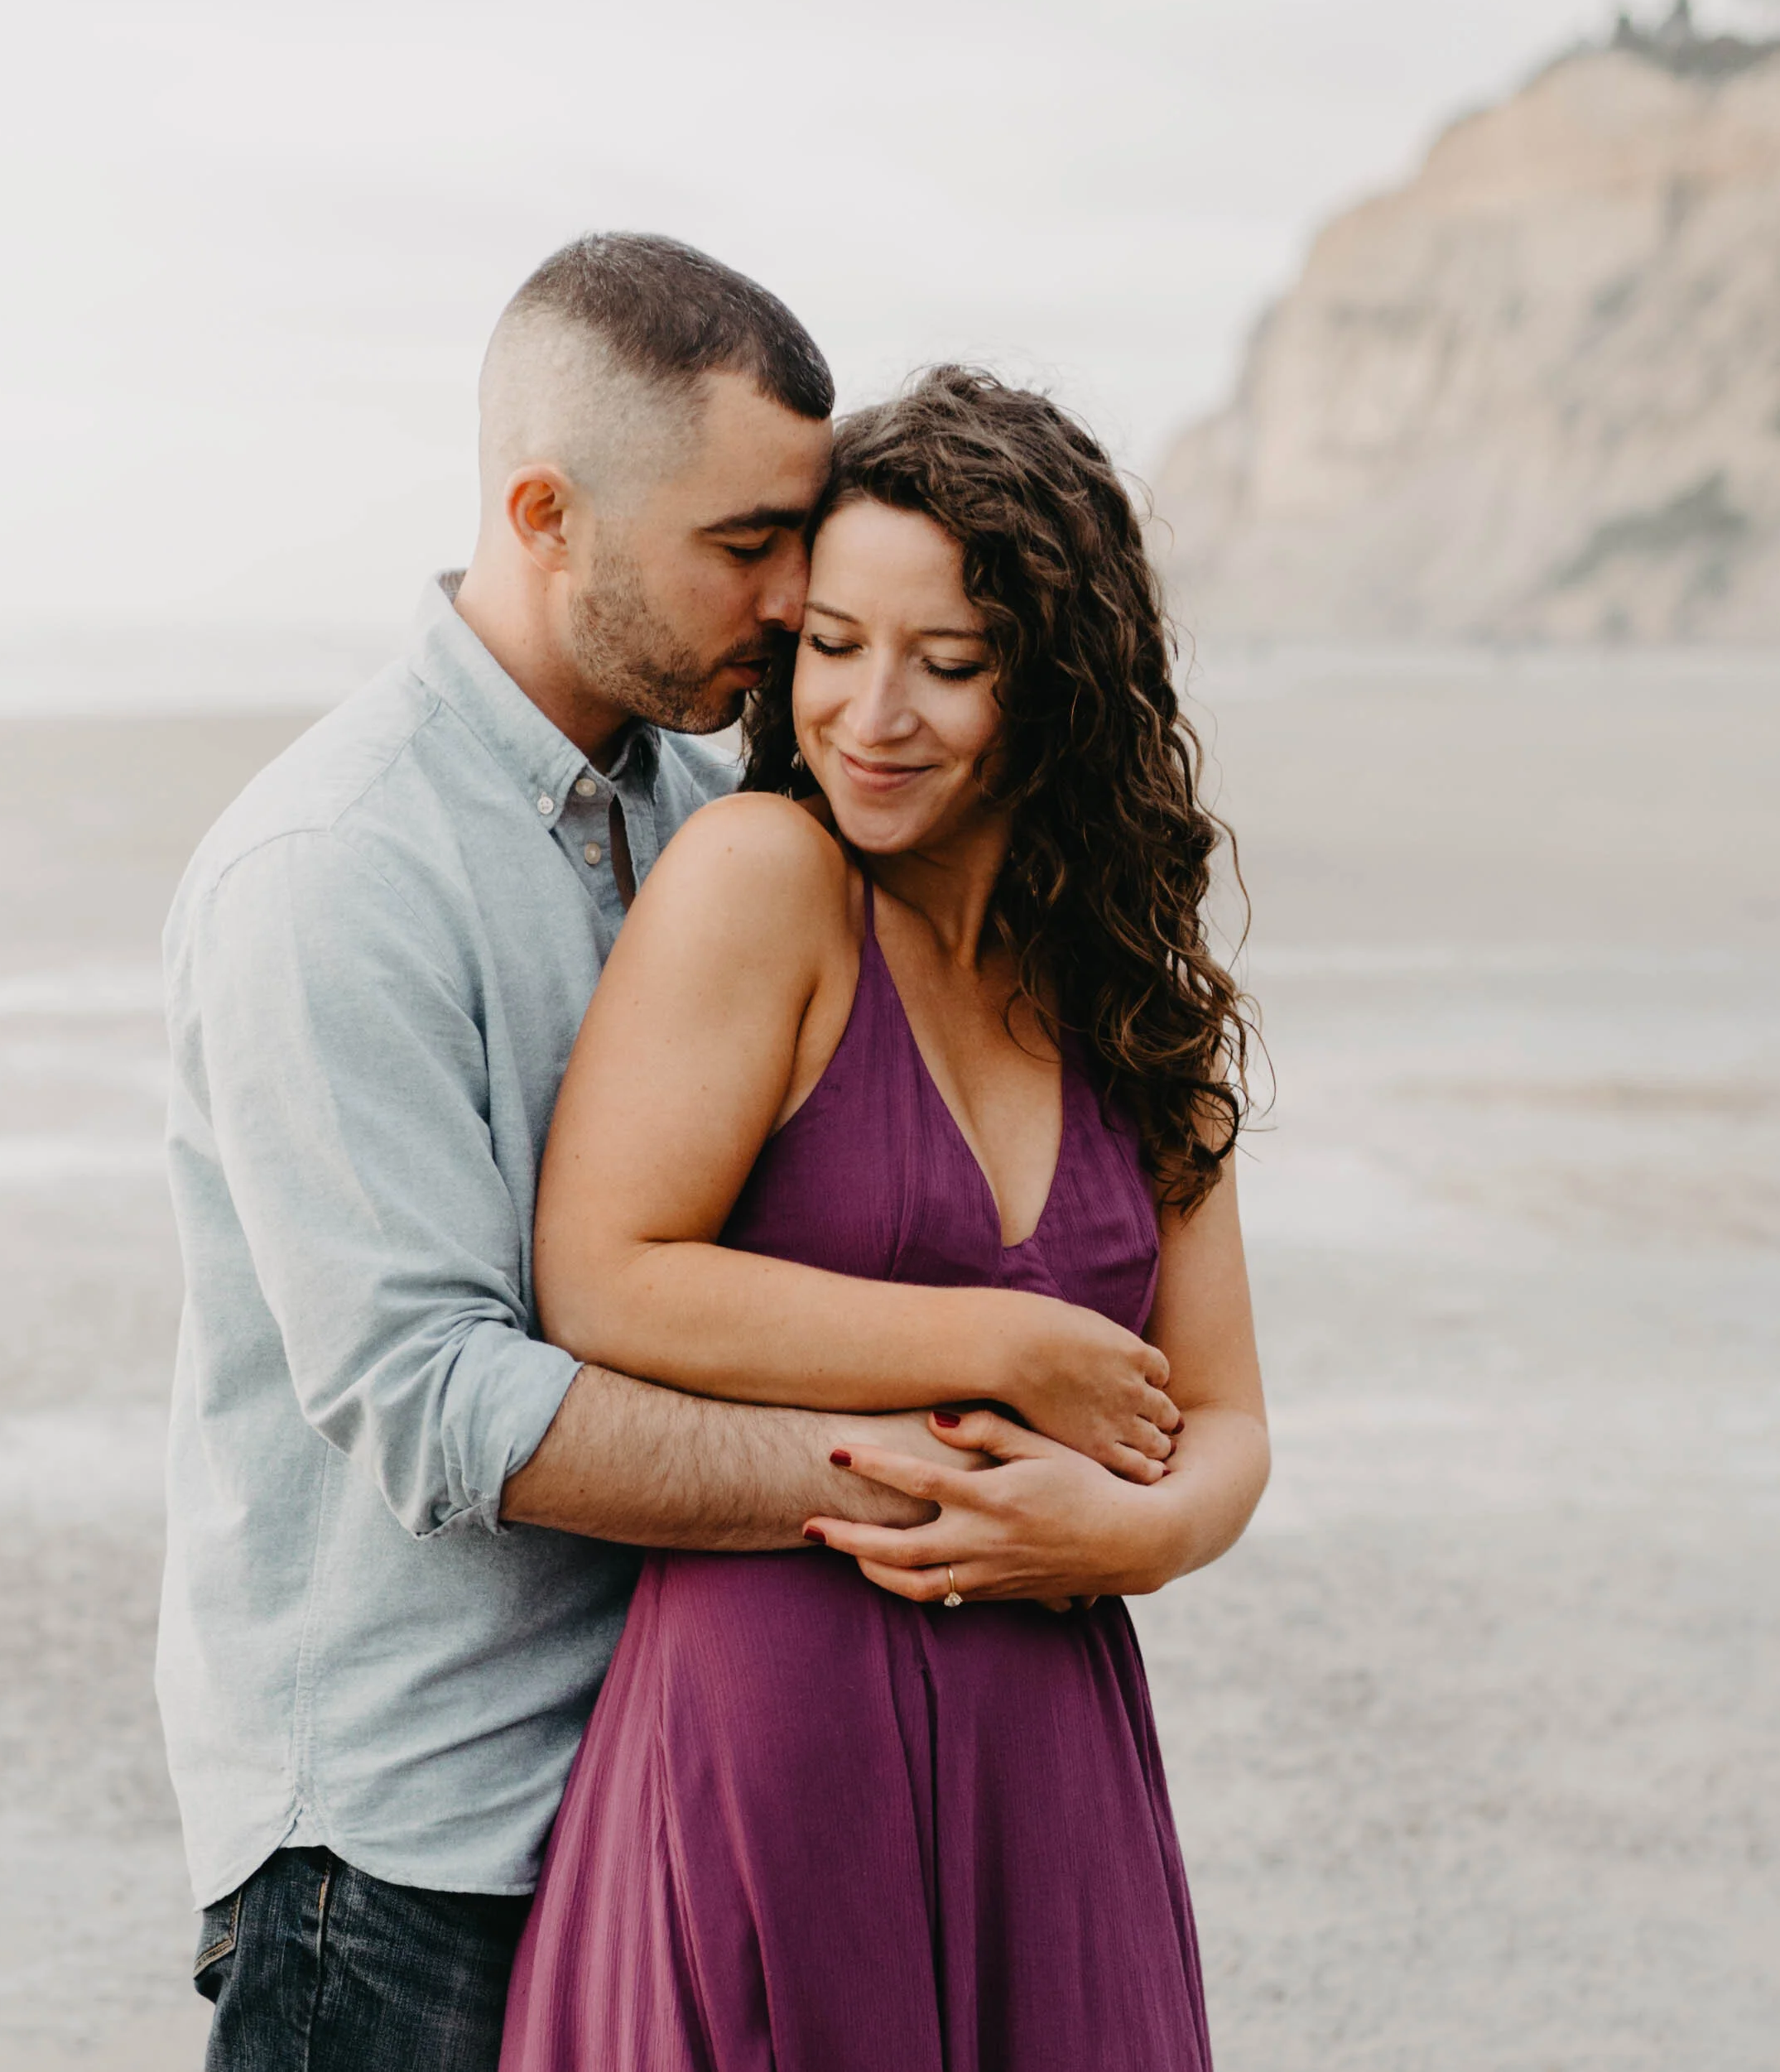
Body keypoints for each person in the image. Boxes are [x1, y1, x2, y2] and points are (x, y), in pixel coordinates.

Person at [156, 238, 1183, 2072]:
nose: (796, 603)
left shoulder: (721, 805)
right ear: (547, 513)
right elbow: (437, 1399)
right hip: (404, 1857)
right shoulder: (331, 873)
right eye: (745, 547)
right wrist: (932, 1485)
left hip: (674, 1791)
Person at [501, 365, 1270, 2071]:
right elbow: (599, 1276)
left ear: (1057, 686)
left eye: (951, 663)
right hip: (776, 1740)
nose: (871, 713)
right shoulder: (766, 879)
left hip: (1056, 1760)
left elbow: (1222, 1422)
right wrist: (989, 1342)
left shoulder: (1130, 990)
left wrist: (1124, 1538)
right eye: (834, 645)